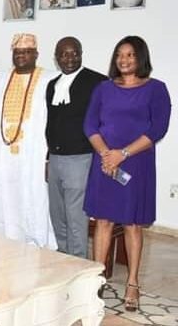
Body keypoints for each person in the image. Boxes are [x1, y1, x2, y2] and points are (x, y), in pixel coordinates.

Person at [84, 36, 171, 312]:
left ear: (141, 58)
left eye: (131, 55)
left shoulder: (156, 89)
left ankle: (132, 283)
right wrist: (107, 155)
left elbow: (157, 129)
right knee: (104, 221)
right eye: (120, 54)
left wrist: (122, 154)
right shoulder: (103, 89)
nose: (124, 60)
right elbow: (90, 125)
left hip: (136, 164)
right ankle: (98, 279)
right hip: (105, 163)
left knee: (132, 223)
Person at [0, 33, 59, 249]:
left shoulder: (49, 79)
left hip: (33, 152)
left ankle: (34, 238)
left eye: (27, 52)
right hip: (3, 151)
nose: (21, 56)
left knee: (32, 195)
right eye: (17, 52)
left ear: (36, 54)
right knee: (3, 193)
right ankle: (3, 234)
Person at [46, 37, 106, 258]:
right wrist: (47, 159)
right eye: (64, 54)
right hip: (55, 158)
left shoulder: (97, 82)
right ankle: (62, 257)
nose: (69, 58)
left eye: (74, 53)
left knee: (76, 216)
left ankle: (78, 263)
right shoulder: (52, 85)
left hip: (81, 158)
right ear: (56, 57)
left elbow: (103, 122)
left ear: (81, 54)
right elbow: (50, 124)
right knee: (57, 213)